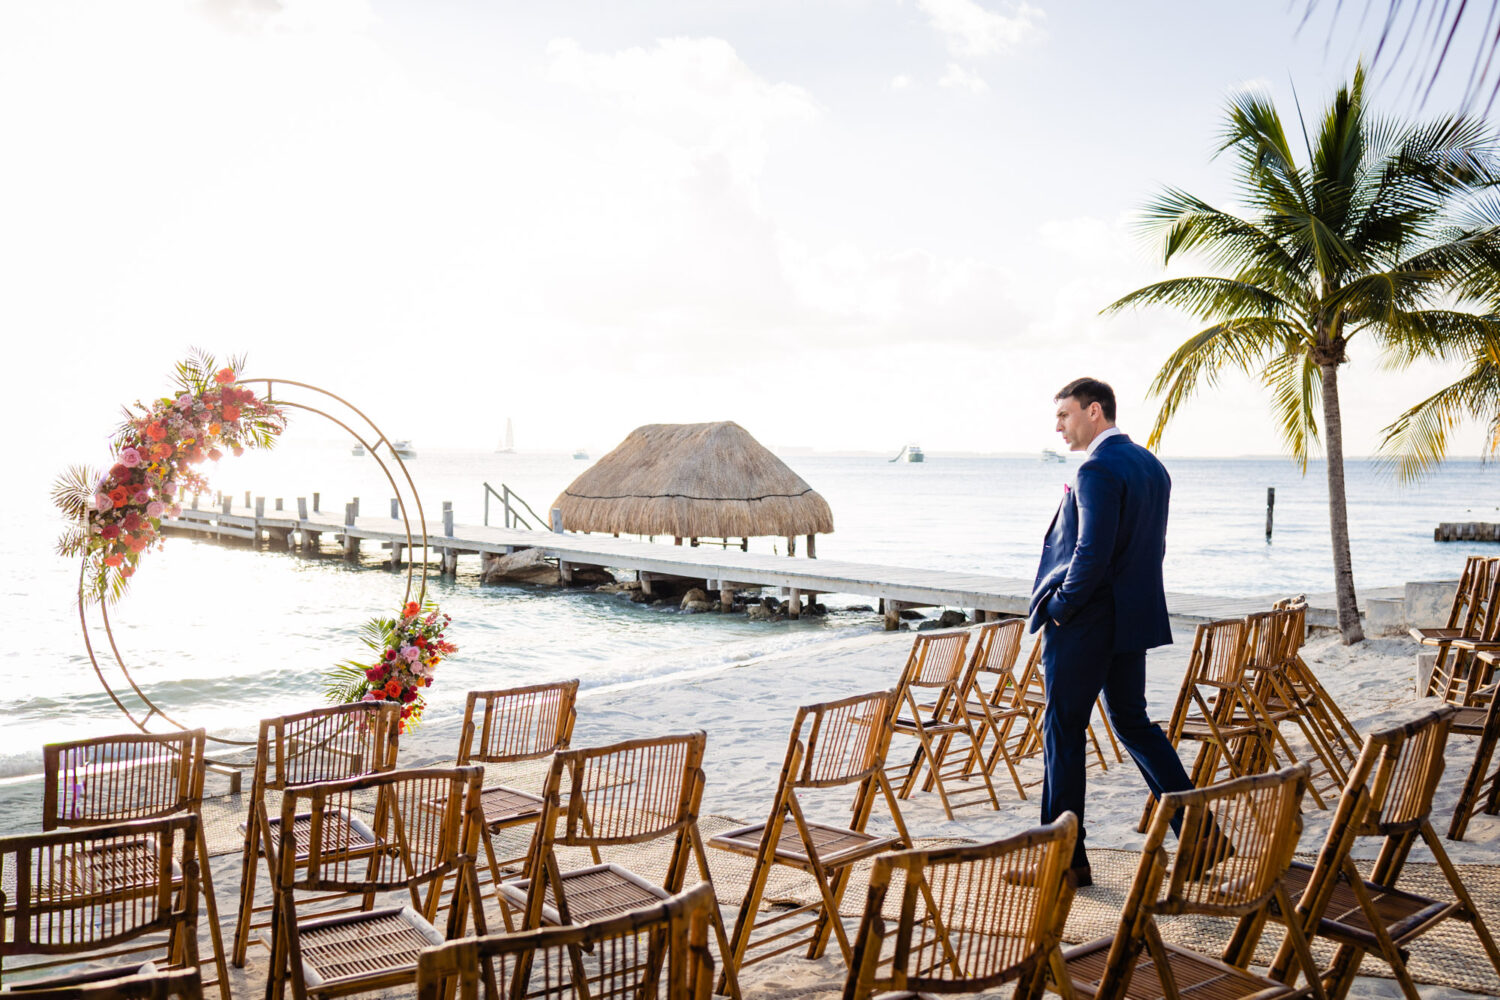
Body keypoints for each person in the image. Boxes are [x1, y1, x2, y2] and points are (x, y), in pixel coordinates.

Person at [1028, 377, 1198, 886]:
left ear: (1094, 411)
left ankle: (1063, 863)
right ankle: (1201, 841)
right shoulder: (1151, 465)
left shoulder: (1097, 469)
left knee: (1062, 730)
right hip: (1132, 619)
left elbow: (1091, 554)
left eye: (1064, 415)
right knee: (1133, 723)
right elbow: (1149, 548)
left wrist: (1060, 607)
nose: (1058, 425)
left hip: (1087, 622)